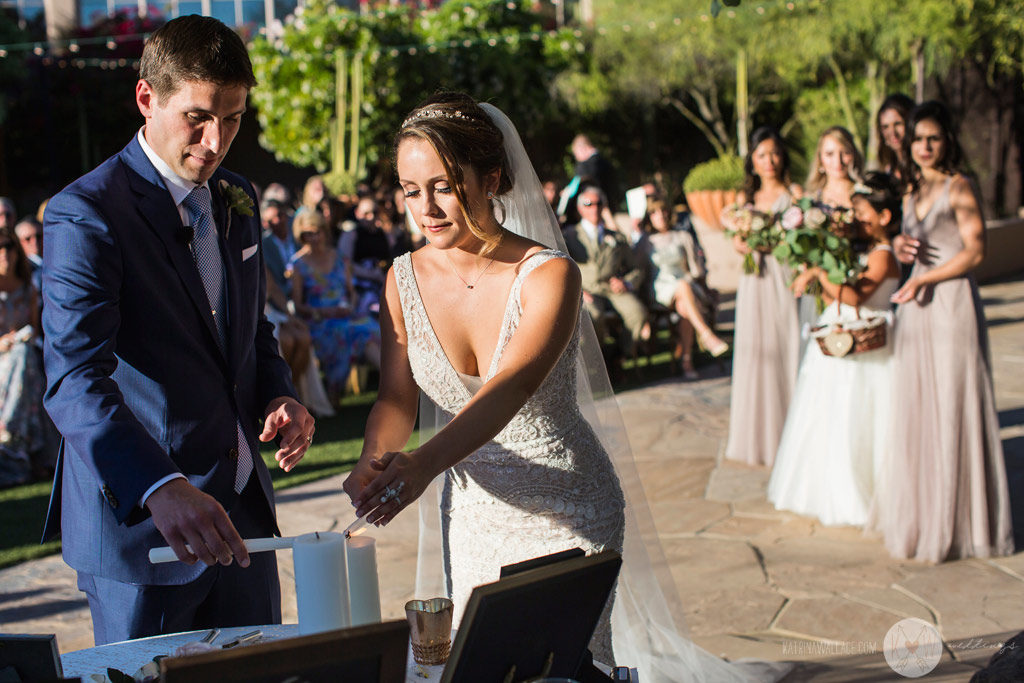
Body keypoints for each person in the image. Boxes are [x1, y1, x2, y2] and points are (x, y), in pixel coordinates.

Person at [342, 91, 785, 683]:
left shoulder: (550, 274)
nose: (427, 207)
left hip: (570, 509)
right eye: (411, 189)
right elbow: (397, 397)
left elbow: (509, 388)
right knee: (484, 670)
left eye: (445, 185)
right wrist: (375, 460)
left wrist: (422, 463)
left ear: (493, 178)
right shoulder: (402, 280)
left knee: (563, 670)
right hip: (474, 514)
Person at [40, 16, 315, 645]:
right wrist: (160, 486)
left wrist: (279, 393)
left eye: (234, 117)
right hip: (145, 538)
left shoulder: (236, 196)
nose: (216, 140)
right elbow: (74, 380)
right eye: (198, 116)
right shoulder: (86, 213)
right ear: (146, 98)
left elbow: (250, 330)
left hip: (243, 515)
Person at [882, 101, 1012, 562]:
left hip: (951, 304)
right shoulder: (909, 191)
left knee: (955, 405)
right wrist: (899, 244)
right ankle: (928, 517)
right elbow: (905, 246)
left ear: (947, 141)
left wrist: (926, 278)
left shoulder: (959, 186)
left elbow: (975, 251)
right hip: (918, 308)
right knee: (921, 409)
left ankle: (964, 525)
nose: (924, 146)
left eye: (933, 138)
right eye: (918, 139)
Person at [768, 172, 901, 526]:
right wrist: (823, 271)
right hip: (842, 342)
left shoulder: (884, 256)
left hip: (867, 350)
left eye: (862, 213)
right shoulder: (865, 252)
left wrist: (817, 271)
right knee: (831, 418)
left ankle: (862, 497)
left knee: (860, 420)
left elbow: (856, 296)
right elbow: (837, 295)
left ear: (884, 217)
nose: (856, 220)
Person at [723, 127, 801, 467]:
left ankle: (794, 431)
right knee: (758, 351)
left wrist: (770, 242)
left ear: (782, 157)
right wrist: (741, 242)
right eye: (761, 155)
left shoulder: (795, 194)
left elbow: (801, 239)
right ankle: (760, 437)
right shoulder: (745, 200)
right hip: (754, 280)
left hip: (784, 277)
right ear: (752, 162)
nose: (769, 161)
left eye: (774, 154)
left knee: (788, 344)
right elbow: (736, 239)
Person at [288, 208, 381, 401]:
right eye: (308, 234)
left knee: (371, 329)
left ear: (324, 231)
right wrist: (326, 311)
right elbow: (298, 305)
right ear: (301, 235)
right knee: (349, 331)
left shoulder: (339, 257)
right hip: (318, 321)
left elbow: (351, 292)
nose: (314, 238)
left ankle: (394, 386)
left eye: (317, 232)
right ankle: (335, 388)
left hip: (345, 314)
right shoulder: (298, 264)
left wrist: (350, 306)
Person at [638, 199, 726, 379]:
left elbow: (696, 269)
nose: (660, 216)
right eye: (655, 212)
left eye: (663, 211)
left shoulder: (683, 237)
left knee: (684, 306)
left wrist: (704, 289)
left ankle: (687, 361)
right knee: (683, 290)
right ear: (649, 217)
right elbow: (639, 272)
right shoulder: (645, 242)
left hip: (686, 286)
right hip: (660, 288)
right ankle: (706, 336)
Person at [563, 185, 649, 361]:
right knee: (594, 315)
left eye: (598, 203)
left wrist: (626, 282)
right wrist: (577, 292)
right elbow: (562, 268)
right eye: (588, 204)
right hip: (585, 290)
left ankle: (621, 355)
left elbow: (636, 268)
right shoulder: (569, 236)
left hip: (611, 288)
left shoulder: (616, 237)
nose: (594, 207)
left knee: (638, 312)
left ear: (604, 206)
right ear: (580, 208)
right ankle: (597, 359)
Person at [0, 228, 45, 487]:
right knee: (22, 359)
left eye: (9, 246)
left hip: (23, 360)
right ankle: (17, 446)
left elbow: (34, 330)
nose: (5, 253)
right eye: (0, 247)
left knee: (24, 354)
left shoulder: (28, 288)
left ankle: (11, 441)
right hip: (5, 361)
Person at [875, 93, 915, 177]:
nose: (893, 133)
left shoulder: (927, 170)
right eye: (885, 127)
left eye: (898, 124)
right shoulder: (887, 171)